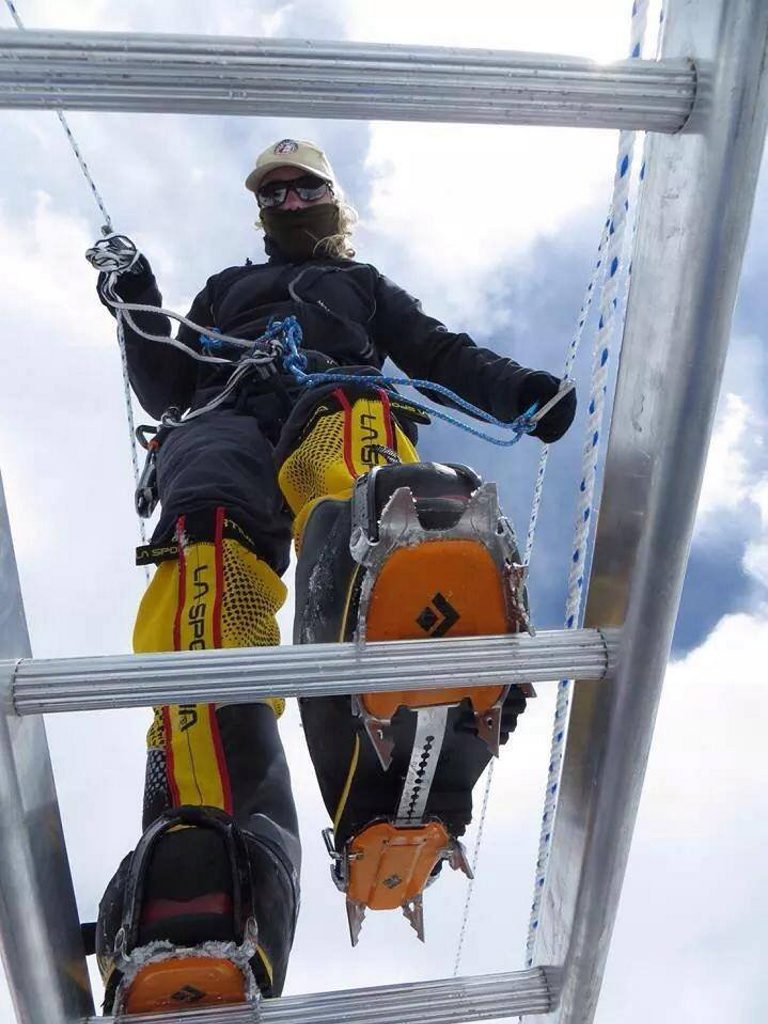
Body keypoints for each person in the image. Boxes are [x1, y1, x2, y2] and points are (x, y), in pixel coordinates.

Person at [90, 138, 576, 1015]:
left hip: (326, 397)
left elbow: (435, 348)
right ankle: (211, 867)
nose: (285, 198)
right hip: (227, 422)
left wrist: (518, 392)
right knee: (204, 570)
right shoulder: (227, 291)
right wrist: (135, 295)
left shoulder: (360, 286)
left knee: (351, 429)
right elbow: (170, 378)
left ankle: (390, 578)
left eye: (301, 185)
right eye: (271, 190)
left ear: (330, 199)